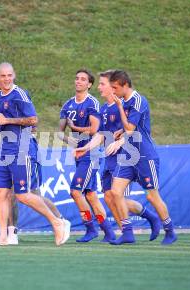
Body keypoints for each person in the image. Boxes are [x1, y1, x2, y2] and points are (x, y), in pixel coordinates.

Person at [0, 62, 68, 246]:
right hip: (5, 150)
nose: (6, 79)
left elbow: (33, 119)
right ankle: (3, 237)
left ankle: (56, 221)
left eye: (9, 75)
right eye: (3, 76)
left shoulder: (19, 94)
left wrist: (7, 120)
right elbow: (2, 123)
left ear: (14, 76)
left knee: (23, 195)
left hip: (22, 149)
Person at [73, 70, 161, 242]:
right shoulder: (105, 108)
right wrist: (86, 147)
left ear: (113, 88)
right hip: (110, 158)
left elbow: (131, 131)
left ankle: (144, 221)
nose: (99, 87)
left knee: (115, 196)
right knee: (108, 197)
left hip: (125, 157)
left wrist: (119, 143)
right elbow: (101, 134)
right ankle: (130, 230)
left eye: (102, 84)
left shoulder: (125, 106)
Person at [108, 70, 177, 245]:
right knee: (115, 192)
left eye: (115, 87)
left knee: (152, 196)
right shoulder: (124, 100)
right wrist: (121, 132)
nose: (113, 91)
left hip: (145, 156)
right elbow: (129, 129)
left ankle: (169, 230)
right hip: (128, 155)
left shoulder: (139, 100)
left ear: (125, 85)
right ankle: (127, 232)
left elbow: (131, 128)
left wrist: (120, 109)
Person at [58, 69, 114, 242]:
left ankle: (90, 228)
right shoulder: (67, 105)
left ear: (89, 84)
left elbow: (95, 130)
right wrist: (72, 141)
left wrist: (75, 129)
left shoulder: (92, 103)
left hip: (92, 153)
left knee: (75, 191)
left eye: (83, 79)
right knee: (90, 195)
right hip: (79, 153)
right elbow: (60, 132)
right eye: (77, 78)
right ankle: (109, 232)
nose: (78, 81)